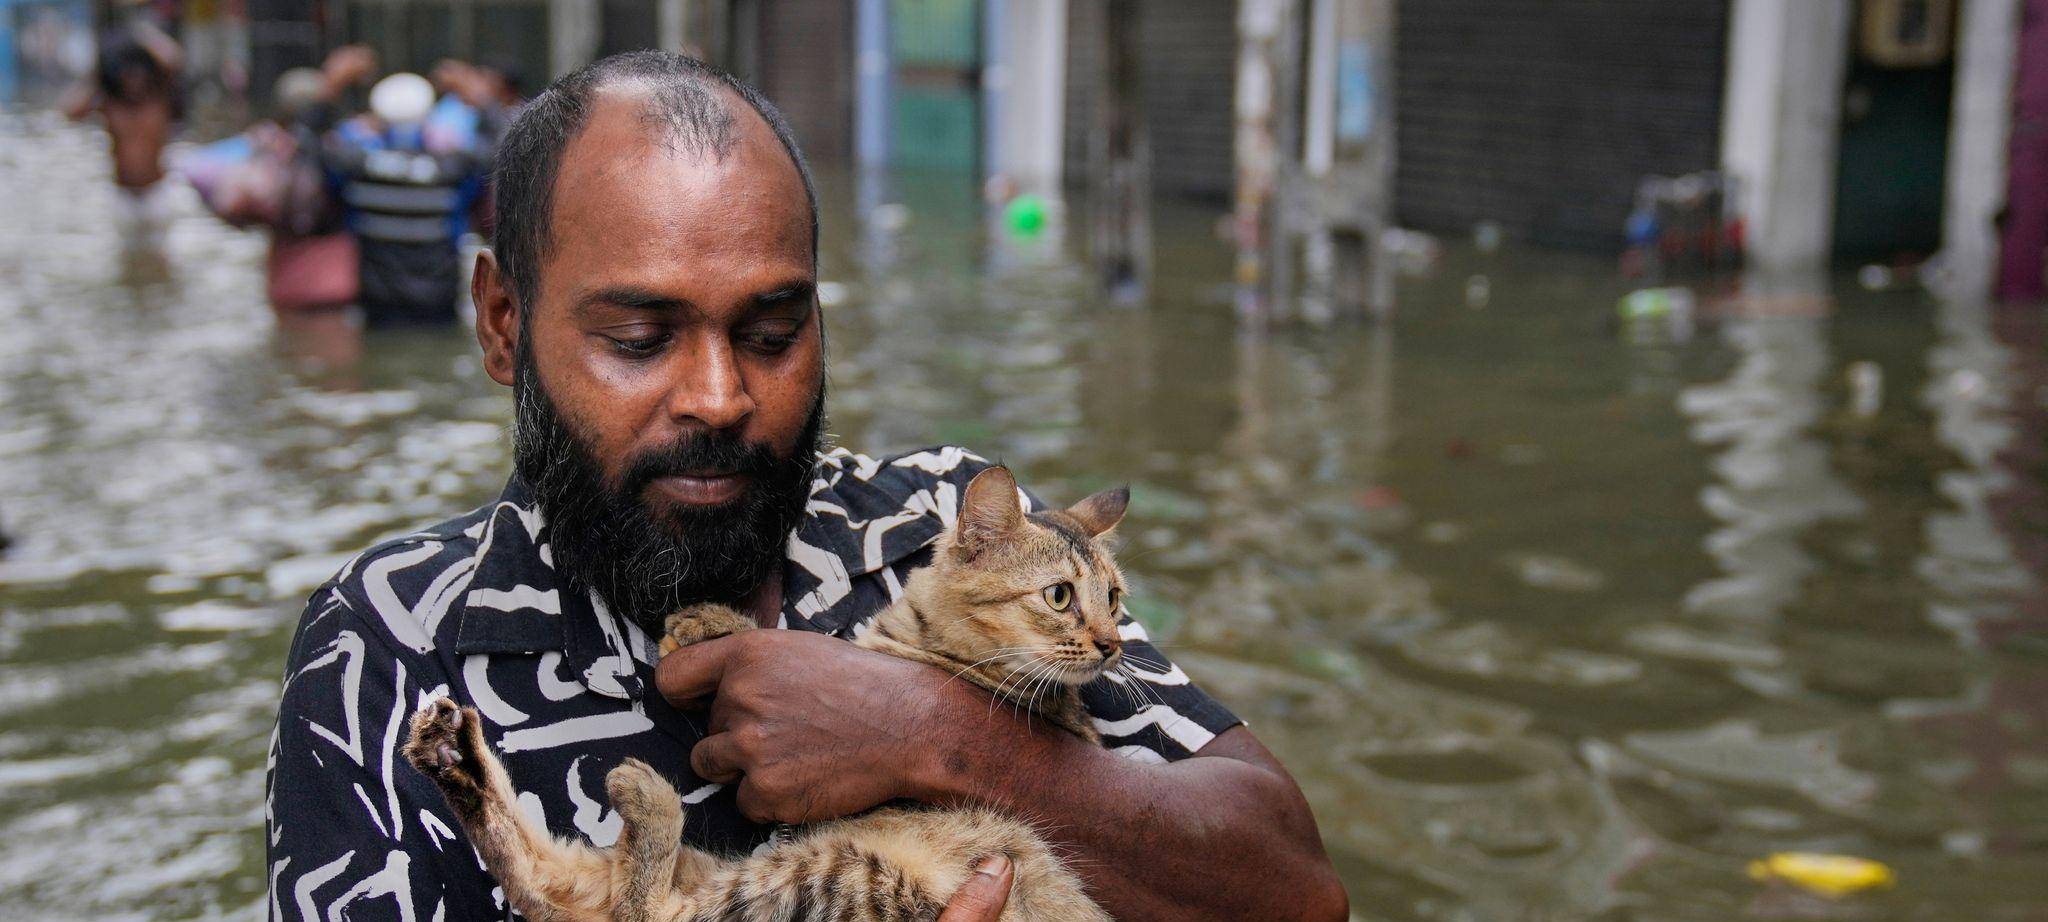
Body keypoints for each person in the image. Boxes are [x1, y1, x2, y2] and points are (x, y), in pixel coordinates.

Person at [265, 52, 1348, 921]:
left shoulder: (939, 525)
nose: (720, 396)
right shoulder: (390, 648)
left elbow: (1295, 891)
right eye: (640, 339)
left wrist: (936, 733)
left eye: (773, 332)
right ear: (503, 324)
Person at [313, 65, 502, 327]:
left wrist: (331, 86)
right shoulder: (452, 170)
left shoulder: (356, 168)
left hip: (377, 309)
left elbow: (312, 145)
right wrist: (480, 97)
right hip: (439, 306)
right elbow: (501, 149)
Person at [61, 4, 182, 250]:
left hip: (158, 193)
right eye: (128, 75)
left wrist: (139, 33)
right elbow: (69, 112)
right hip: (122, 196)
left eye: (138, 74)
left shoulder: (158, 98)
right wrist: (98, 72)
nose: (134, 81)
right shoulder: (110, 104)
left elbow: (175, 58)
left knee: (162, 259)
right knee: (125, 258)